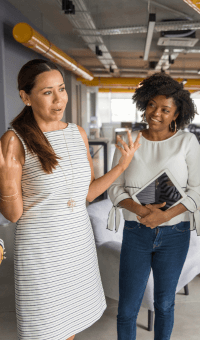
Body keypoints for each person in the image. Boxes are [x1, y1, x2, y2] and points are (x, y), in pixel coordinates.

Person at [0, 59, 141, 340]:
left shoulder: (76, 133)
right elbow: (13, 214)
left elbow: (86, 194)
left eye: (61, 89)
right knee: (44, 328)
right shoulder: (14, 141)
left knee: (69, 327)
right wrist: (5, 178)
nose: (58, 99)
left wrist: (121, 166)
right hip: (41, 250)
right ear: (25, 97)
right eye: (47, 92)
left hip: (77, 243)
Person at [108, 72, 200, 340]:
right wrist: (141, 211)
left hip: (175, 235)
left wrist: (165, 216)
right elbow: (114, 188)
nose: (156, 113)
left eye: (165, 109)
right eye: (151, 105)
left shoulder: (187, 142)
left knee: (164, 304)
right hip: (136, 232)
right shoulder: (130, 142)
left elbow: (197, 192)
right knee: (127, 309)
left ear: (176, 114)